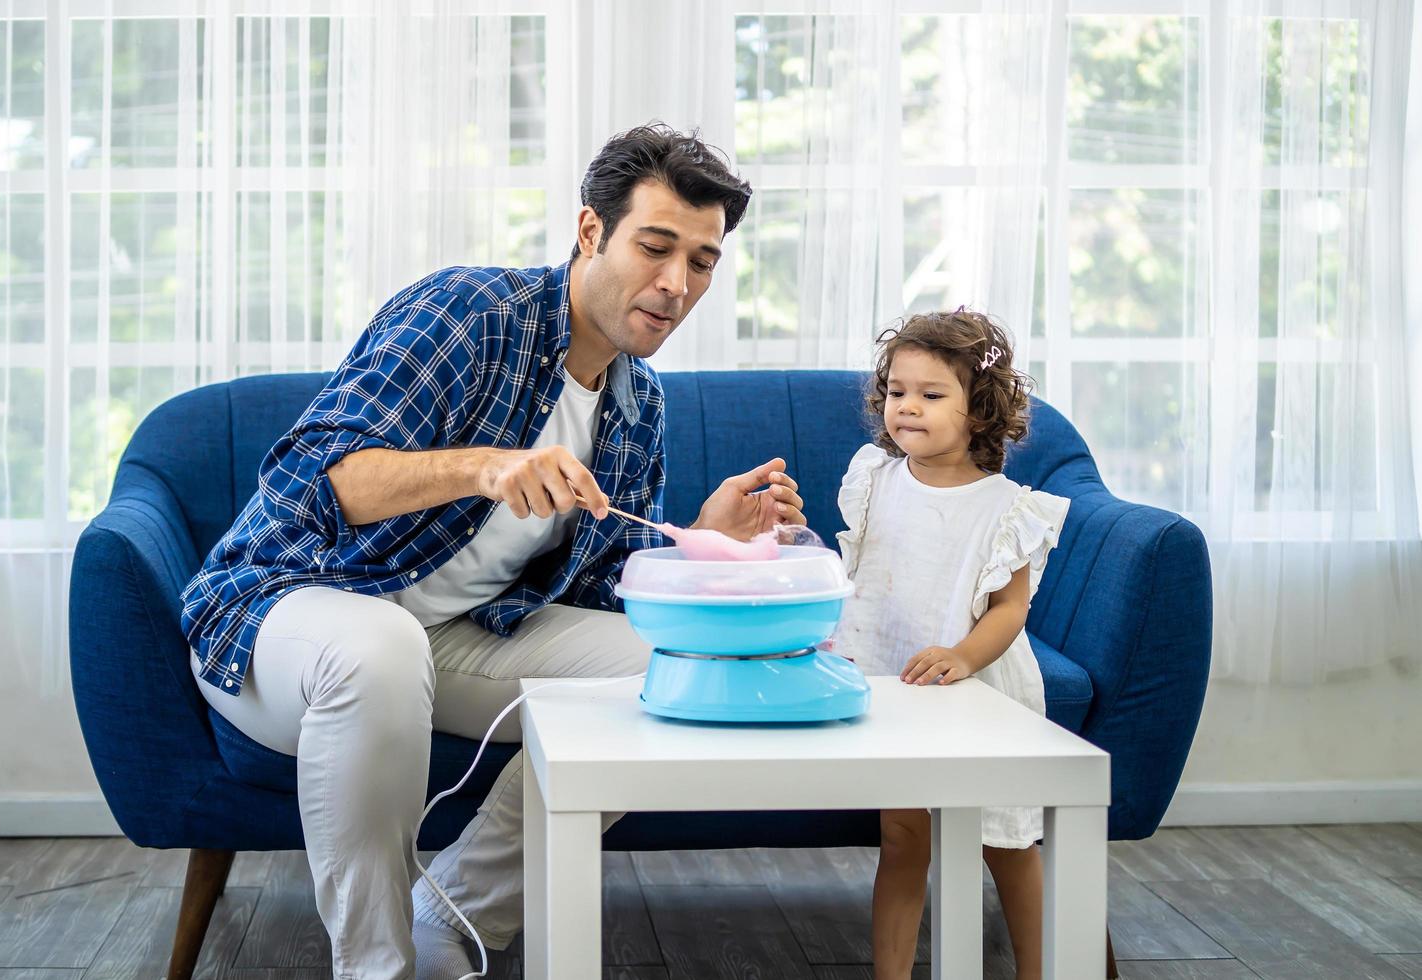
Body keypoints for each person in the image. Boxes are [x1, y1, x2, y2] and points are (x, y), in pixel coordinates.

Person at [179, 123, 806, 979]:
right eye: (656, 247)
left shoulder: (638, 403)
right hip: (290, 608)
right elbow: (315, 480)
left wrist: (702, 542)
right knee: (379, 645)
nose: (676, 284)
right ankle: (375, 968)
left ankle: (449, 922)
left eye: (701, 262)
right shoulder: (472, 313)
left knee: (670, 665)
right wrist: (484, 466)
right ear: (591, 232)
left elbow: (599, 598)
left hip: (458, 634)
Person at [831, 309, 1070, 980]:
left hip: (981, 697)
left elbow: (1009, 610)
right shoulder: (875, 479)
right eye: (898, 392)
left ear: (979, 411)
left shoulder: (1006, 507)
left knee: (1007, 843)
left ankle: (1039, 970)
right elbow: (862, 576)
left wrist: (963, 656)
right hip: (897, 691)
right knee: (903, 839)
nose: (908, 407)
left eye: (931, 395)